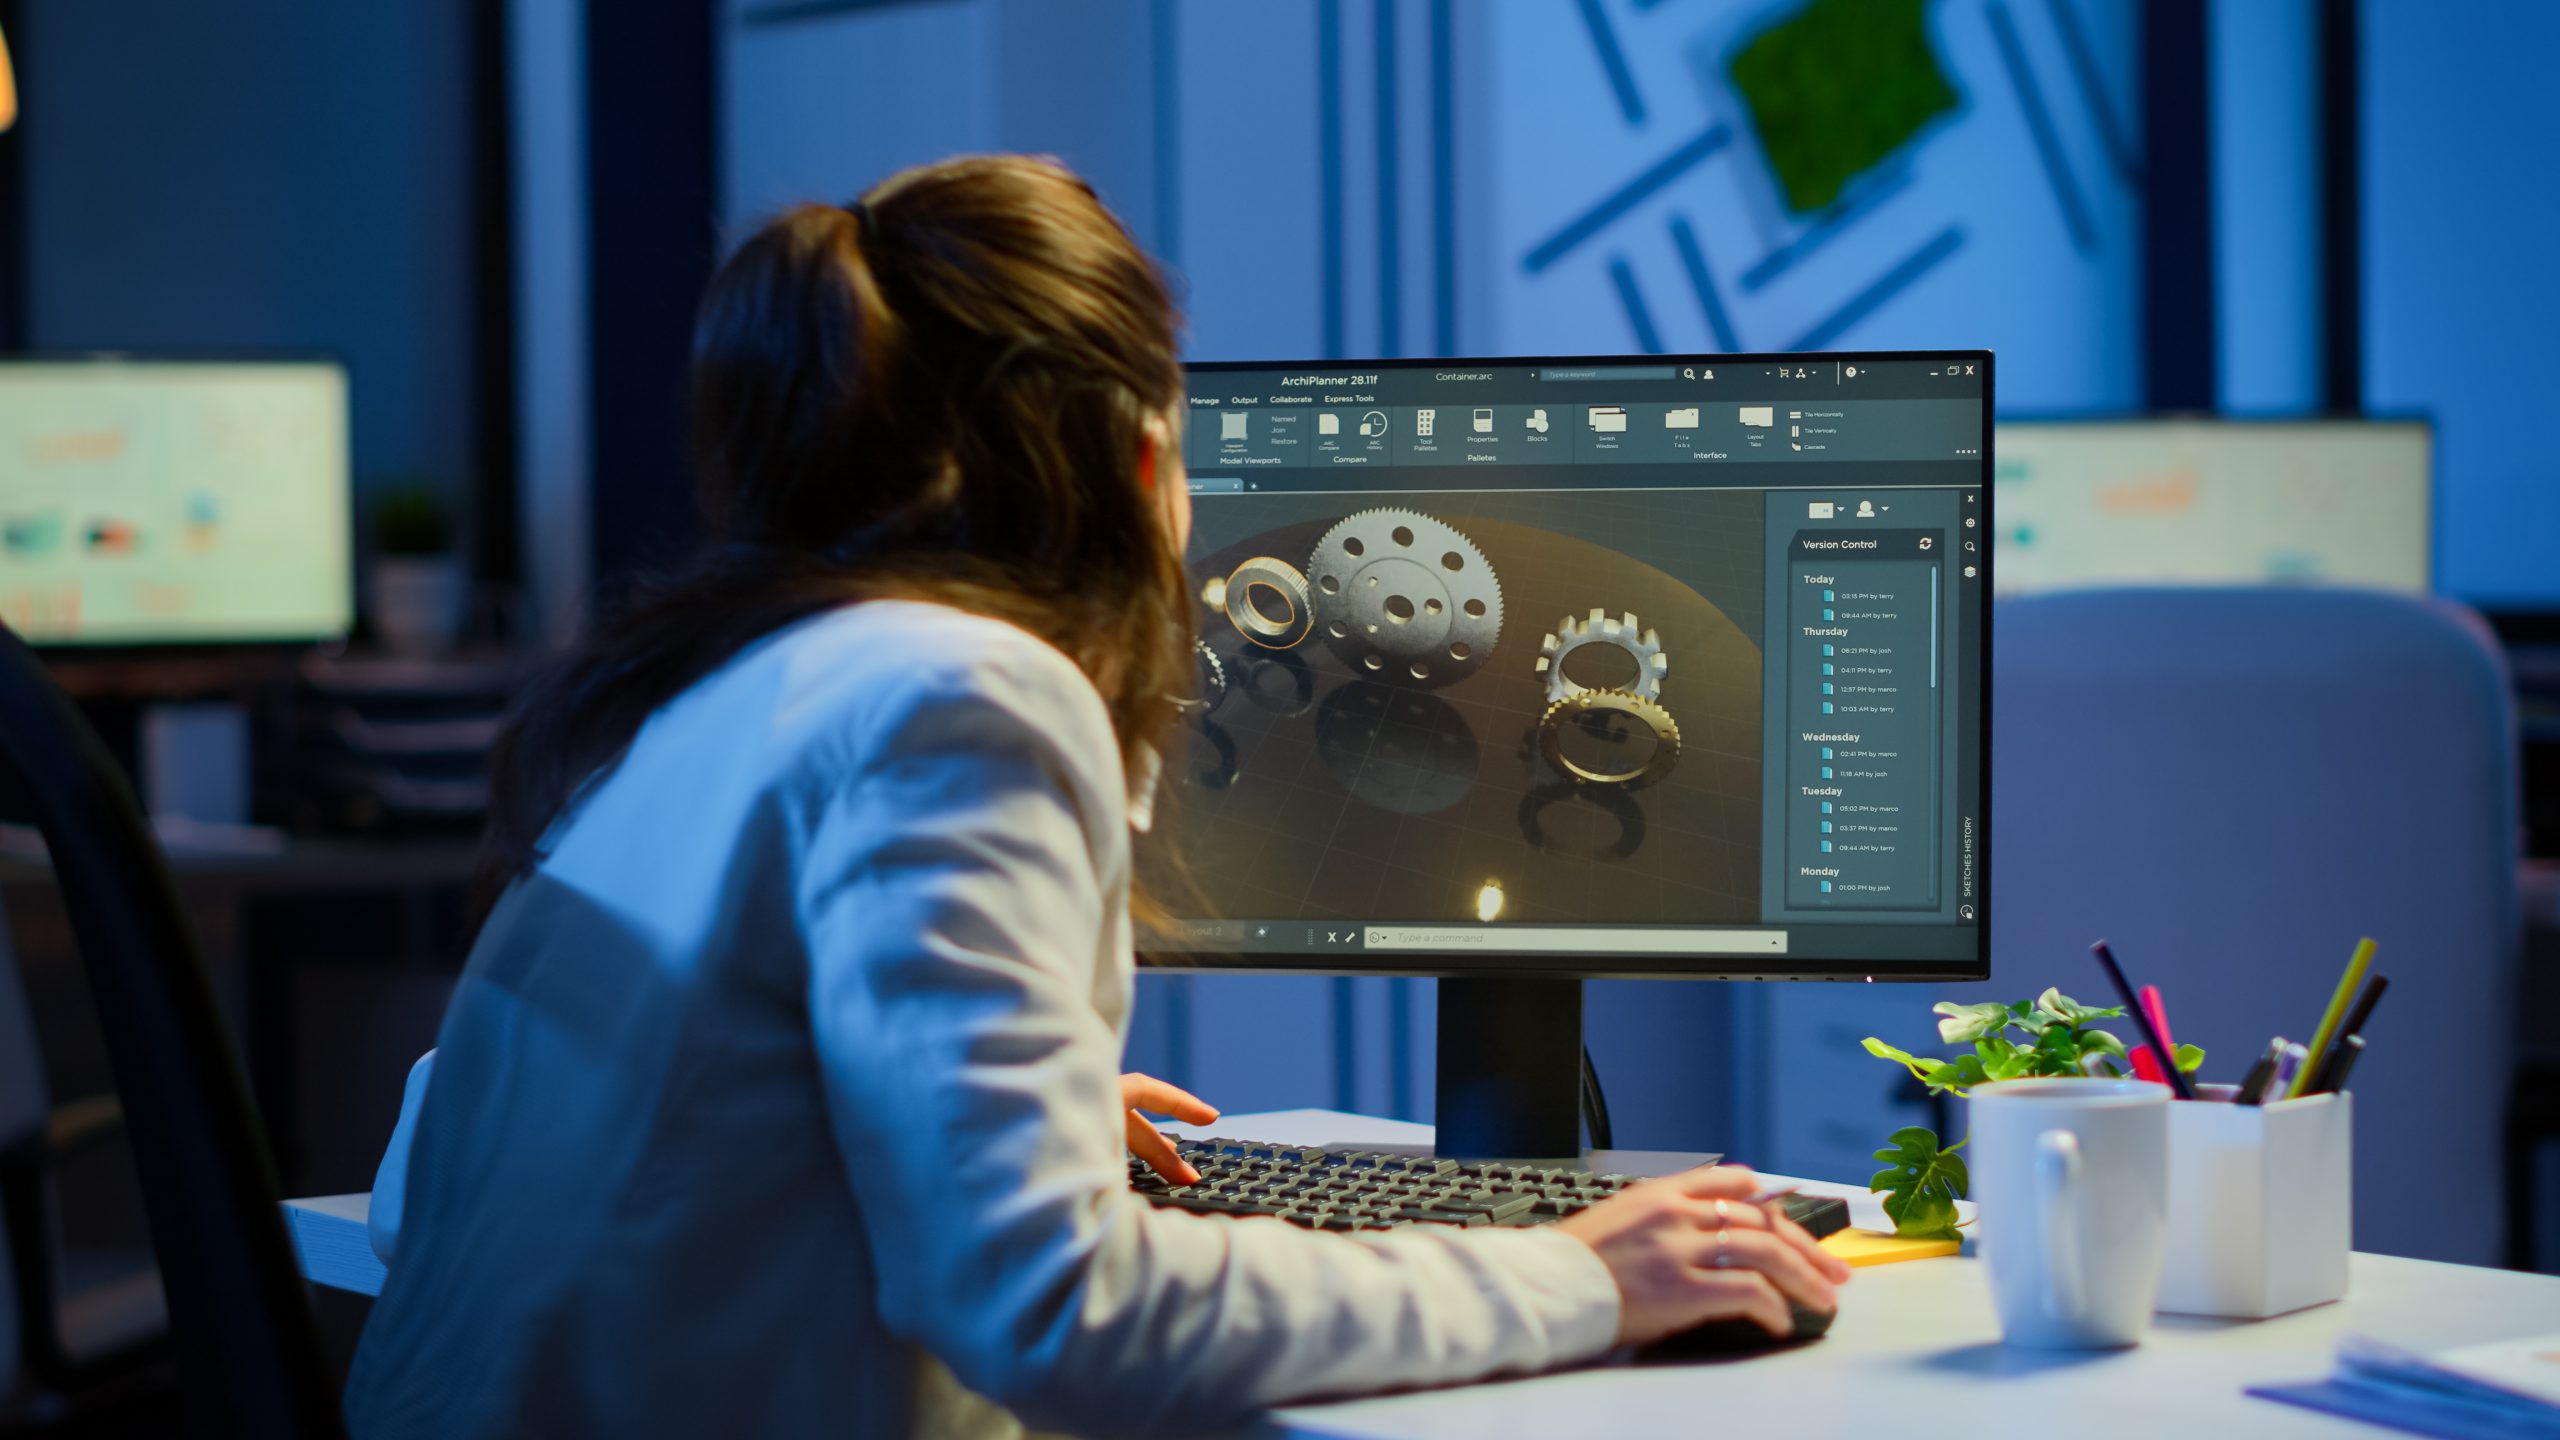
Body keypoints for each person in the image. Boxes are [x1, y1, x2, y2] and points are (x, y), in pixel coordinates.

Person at [343, 154, 1847, 1439]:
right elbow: (1051, 1303)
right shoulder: (965, 696)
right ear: (1142, 466)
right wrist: (1583, 1276)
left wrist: (908, 1107)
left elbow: (433, 1181)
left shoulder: (712, 701)